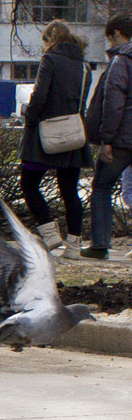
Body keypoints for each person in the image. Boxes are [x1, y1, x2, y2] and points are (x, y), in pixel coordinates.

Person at [18, 19, 92, 261]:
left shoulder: (49, 60)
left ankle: (49, 233)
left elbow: (40, 94)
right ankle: (74, 246)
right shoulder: (84, 67)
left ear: (50, 40)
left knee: (29, 183)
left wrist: (30, 117)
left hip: (45, 134)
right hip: (72, 135)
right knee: (70, 191)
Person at [80, 14, 132, 260]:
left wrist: (106, 140)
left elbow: (113, 104)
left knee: (101, 186)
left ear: (118, 34)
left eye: (110, 38)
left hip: (122, 140)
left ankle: (99, 245)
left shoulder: (121, 61)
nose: (109, 45)